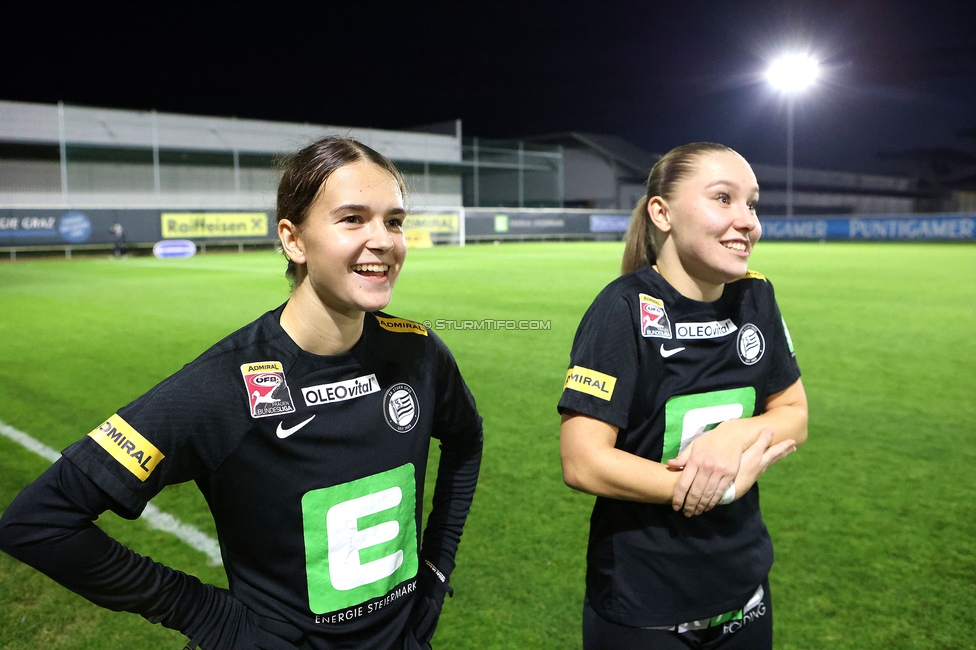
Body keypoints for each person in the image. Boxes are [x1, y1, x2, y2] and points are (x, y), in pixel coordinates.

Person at [0, 136, 484, 650]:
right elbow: (38, 522)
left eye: (393, 220)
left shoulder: (419, 352)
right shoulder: (224, 383)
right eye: (352, 219)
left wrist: (435, 566)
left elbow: (465, 440)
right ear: (293, 240)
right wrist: (209, 617)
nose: (384, 240)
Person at [558, 142, 808, 649]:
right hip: (645, 611)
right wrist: (711, 486)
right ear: (662, 212)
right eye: (723, 198)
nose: (747, 221)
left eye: (752, 204)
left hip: (746, 597)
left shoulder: (756, 296)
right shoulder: (622, 309)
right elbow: (583, 462)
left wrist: (733, 436)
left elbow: (794, 415)